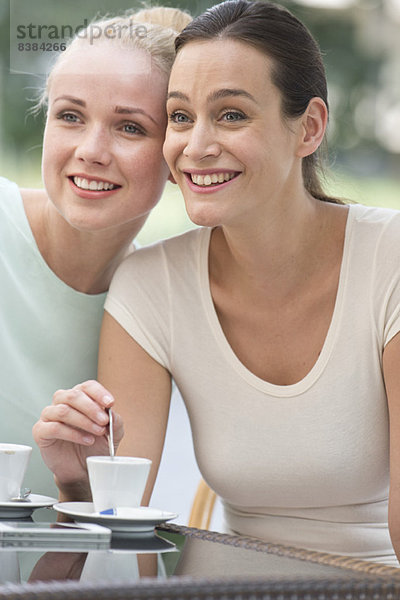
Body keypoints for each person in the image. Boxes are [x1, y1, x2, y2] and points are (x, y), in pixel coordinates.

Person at [34, 0, 400, 566]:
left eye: (231, 114)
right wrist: (78, 488)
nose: (196, 146)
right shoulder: (150, 286)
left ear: (309, 127)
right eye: (180, 117)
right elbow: (120, 535)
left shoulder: (389, 259)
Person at [1, 5, 192, 500]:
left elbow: (113, 524)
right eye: (70, 116)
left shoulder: (159, 300)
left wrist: (78, 486)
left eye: (130, 127)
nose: (91, 150)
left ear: (177, 154)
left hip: (59, 573)